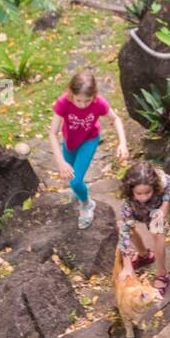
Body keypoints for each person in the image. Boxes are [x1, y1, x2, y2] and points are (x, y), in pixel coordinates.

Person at [49, 71, 128, 228]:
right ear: (71, 93)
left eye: (88, 101)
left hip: (89, 140)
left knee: (75, 180)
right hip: (69, 142)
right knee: (70, 177)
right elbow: (52, 133)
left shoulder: (99, 103)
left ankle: (87, 204)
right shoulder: (63, 102)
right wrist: (60, 162)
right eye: (79, 100)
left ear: (94, 95)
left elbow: (116, 119)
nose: (83, 105)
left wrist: (122, 143)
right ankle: (79, 192)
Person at [117, 161, 170, 293]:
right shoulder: (128, 203)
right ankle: (144, 255)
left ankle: (161, 274)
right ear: (131, 190)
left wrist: (164, 205)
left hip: (155, 209)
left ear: (154, 186)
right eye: (139, 193)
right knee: (126, 226)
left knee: (157, 232)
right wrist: (127, 265)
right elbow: (124, 231)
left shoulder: (161, 179)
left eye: (147, 192)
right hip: (137, 211)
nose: (143, 197)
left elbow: (169, 184)